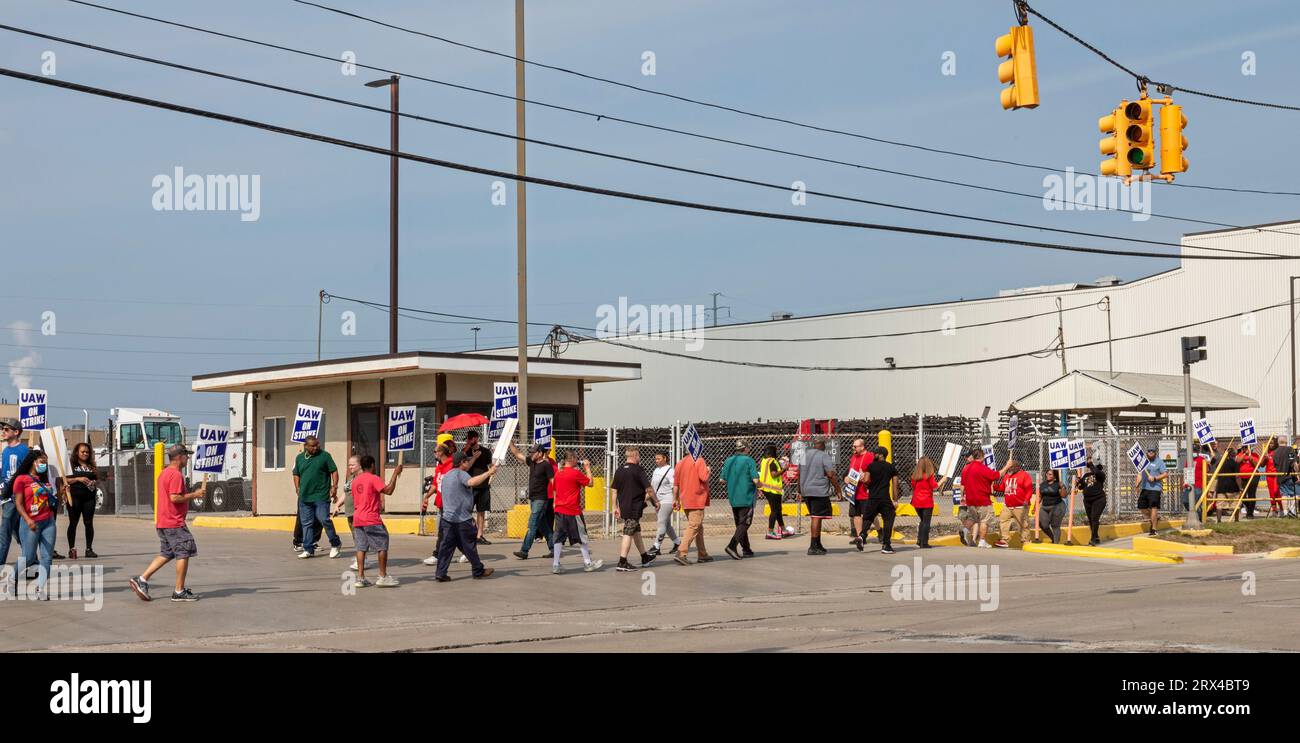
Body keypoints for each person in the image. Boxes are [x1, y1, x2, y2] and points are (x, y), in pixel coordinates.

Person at [129, 444, 206, 602]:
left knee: (167, 553)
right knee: (184, 551)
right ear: (179, 457)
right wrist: (194, 494)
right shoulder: (176, 475)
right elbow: (175, 497)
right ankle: (179, 591)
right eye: (186, 455)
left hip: (163, 521)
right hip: (173, 522)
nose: (188, 458)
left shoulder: (164, 473)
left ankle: (142, 579)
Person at [433, 450, 498, 581]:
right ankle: (478, 571)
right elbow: (472, 482)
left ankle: (441, 573)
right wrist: (489, 473)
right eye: (467, 461)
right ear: (462, 462)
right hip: (462, 519)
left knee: (447, 547)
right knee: (469, 546)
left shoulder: (447, 476)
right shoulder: (461, 474)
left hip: (447, 518)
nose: (469, 463)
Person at [348, 454, 403, 587]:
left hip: (358, 518)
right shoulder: (374, 479)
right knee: (382, 545)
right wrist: (395, 473)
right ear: (372, 465)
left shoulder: (355, 481)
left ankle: (360, 578)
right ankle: (382, 576)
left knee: (361, 547)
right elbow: (388, 491)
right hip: (371, 518)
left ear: (361, 465)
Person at [11, 450, 58, 598]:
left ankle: (40, 589)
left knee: (47, 557)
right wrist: (28, 519)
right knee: (28, 557)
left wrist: (61, 493)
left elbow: (54, 503)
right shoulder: (21, 479)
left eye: (46, 461)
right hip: (30, 523)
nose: (44, 464)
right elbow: (18, 504)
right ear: (33, 461)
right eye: (41, 461)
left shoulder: (45, 480)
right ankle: (13, 579)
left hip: (48, 521)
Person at [551, 451, 603, 574]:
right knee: (582, 536)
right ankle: (587, 563)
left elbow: (555, 490)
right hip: (573, 511)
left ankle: (555, 564)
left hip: (559, 510)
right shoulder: (575, 473)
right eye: (576, 458)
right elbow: (590, 483)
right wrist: (587, 468)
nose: (577, 460)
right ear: (572, 459)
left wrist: (555, 503)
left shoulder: (558, 473)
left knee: (558, 537)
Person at [293, 436, 342, 559]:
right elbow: (296, 474)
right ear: (306, 446)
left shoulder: (325, 456)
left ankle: (335, 543)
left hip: (321, 495)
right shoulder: (299, 458)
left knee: (324, 519)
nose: (316, 447)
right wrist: (297, 488)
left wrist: (334, 486)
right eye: (313, 446)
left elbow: (334, 471)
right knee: (306, 523)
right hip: (305, 496)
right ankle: (308, 549)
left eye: (317, 445)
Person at [612, 447, 657, 571]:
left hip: (624, 506)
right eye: (639, 455)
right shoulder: (638, 470)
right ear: (635, 455)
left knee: (636, 530)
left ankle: (644, 557)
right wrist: (656, 502)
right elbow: (649, 489)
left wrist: (615, 507)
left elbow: (614, 491)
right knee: (628, 532)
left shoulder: (619, 470)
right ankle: (622, 562)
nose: (640, 458)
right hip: (634, 507)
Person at [511, 441, 556, 560]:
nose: (531, 454)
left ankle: (524, 551)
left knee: (532, 525)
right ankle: (554, 549)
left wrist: (556, 499)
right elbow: (518, 454)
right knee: (544, 526)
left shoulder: (546, 465)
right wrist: (511, 443)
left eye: (533, 452)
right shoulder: (532, 462)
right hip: (533, 499)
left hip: (541, 500)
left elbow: (553, 482)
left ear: (540, 453)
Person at [959, 448, 1010, 548]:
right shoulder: (982, 468)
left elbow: (963, 484)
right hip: (982, 498)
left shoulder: (966, 468)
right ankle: (982, 541)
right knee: (984, 520)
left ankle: (965, 530)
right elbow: (996, 476)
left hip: (970, 499)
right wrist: (1007, 466)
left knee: (973, 518)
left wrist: (962, 496)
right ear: (982, 457)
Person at [1, 417, 31, 576]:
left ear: (16, 432)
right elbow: (3, 472)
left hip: (16, 498)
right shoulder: (5, 450)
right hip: (5, 497)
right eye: (3, 429)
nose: (3, 432)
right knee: (19, 534)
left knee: (4, 534)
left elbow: (28, 476)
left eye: (6, 429)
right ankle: (33, 564)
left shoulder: (24, 451)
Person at [798, 438, 838, 556]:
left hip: (806, 491)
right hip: (818, 491)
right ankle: (813, 546)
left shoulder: (804, 456)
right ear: (823, 446)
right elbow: (830, 474)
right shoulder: (824, 456)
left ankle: (818, 544)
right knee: (816, 517)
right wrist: (838, 489)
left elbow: (799, 474)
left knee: (816, 516)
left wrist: (799, 490)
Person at [672, 449, 712, 566]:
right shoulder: (699, 461)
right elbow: (704, 477)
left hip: (685, 498)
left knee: (698, 527)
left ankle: (702, 554)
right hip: (696, 498)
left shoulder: (680, 463)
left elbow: (676, 484)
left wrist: (676, 499)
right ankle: (681, 553)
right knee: (694, 526)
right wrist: (708, 470)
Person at [720, 441, 759, 560]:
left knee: (740, 525)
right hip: (746, 497)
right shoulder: (749, 460)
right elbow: (755, 480)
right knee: (745, 523)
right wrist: (763, 485)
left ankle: (746, 549)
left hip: (733, 497)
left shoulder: (728, 461)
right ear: (746, 449)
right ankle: (732, 546)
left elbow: (722, 480)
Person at [422, 441, 457, 567]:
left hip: (451, 503)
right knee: (447, 531)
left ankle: (438, 555)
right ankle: (468, 552)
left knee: (445, 530)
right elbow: (436, 485)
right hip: (442, 503)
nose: (434, 453)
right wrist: (427, 497)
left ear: (442, 452)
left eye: (435, 451)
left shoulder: (452, 465)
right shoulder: (439, 467)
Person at [858, 447, 899, 554]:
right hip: (885, 498)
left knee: (868, 518)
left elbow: (866, 480)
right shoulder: (891, 467)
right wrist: (895, 499)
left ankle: (862, 536)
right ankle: (886, 545)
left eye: (875, 453)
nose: (873, 454)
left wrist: (867, 484)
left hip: (872, 498)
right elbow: (895, 484)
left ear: (881, 454)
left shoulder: (870, 466)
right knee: (889, 518)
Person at [64, 441, 98, 559]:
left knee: (88, 523)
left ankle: (89, 549)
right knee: (73, 522)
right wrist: (78, 478)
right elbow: (65, 480)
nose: (85, 454)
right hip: (74, 497)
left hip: (89, 498)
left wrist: (93, 482)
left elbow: (96, 479)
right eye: (82, 451)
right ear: (77, 452)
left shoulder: (91, 466)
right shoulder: (71, 465)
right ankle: (71, 549)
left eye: (87, 452)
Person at [993, 459, 1033, 548]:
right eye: (1008, 467)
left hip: (1020, 505)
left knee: (1022, 524)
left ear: (1017, 467)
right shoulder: (1007, 476)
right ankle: (1004, 540)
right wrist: (994, 485)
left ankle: (1026, 540)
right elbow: (1002, 488)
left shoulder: (1024, 475)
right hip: (1007, 505)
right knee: (1003, 521)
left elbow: (1029, 489)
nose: (1009, 469)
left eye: (1011, 467)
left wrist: (1026, 500)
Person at [462, 430, 492, 544]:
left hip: (483, 486)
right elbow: (464, 468)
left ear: (476, 438)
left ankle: (480, 535)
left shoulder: (485, 451)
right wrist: (473, 457)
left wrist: (490, 480)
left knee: (481, 511)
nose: (468, 441)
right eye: (467, 439)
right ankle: (469, 533)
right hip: (470, 485)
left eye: (470, 438)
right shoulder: (466, 452)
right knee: (466, 511)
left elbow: (490, 466)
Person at [909, 457, 946, 549]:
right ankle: (924, 542)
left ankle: (919, 540)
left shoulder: (915, 475)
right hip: (926, 501)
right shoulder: (929, 476)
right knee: (926, 522)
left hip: (916, 501)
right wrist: (943, 480)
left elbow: (913, 486)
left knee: (922, 520)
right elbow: (934, 486)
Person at [845, 438, 875, 549]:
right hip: (854, 491)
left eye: (855, 446)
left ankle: (879, 530)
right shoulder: (853, 457)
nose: (853, 448)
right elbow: (850, 471)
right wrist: (846, 478)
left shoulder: (870, 457)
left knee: (869, 515)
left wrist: (867, 475)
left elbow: (874, 471)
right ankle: (860, 537)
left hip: (865, 491)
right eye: (853, 446)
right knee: (856, 515)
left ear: (862, 447)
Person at [647, 452, 679, 557]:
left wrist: (675, 499)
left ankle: (656, 546)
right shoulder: (656, 470)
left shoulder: (670, 471)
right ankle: (678, 544)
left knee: (661, 523)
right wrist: (647, 497)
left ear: (665, 458)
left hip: (667, 500)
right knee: (666, 524)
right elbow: (652, 485)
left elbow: (674, 486)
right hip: (657, 500)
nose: (656, 461)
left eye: (658, 459)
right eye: (655, 459)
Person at [758, 445, 790, 540]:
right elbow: (774, 474)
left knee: (777, 509)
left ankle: (783, 530)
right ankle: (770, 532)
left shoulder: (764, 460)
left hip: (766, 488)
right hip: (773, 489)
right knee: (775, 510)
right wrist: (784, 469)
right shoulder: (772, 461)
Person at [1135, 447, 1167, 535]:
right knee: (1142, 507)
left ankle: (1153, 529)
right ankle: (1154, 519)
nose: (1151, 452)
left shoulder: (1159, 462)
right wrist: (1137, 485)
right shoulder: (1143, 462)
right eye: (1149, 451)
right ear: (1147, 452)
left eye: (1152, 451)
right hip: (1145, 488)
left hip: (1155, 489)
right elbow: (1139, 474)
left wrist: (1155, 478)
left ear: (1155, 452)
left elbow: (1165, 474)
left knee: (1153, 507)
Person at [1078, 457, 1107, 546]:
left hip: (1099, 499)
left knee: (1094, 517)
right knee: (1091, 519)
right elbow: (1081, 487)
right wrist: (1078, 482)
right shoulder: (1086, 475)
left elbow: (1096, 472)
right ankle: (1096, 536)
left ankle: (1093, 538)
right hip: (1087, 500)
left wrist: (1090, 464)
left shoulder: (1100, 474)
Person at [1274, 435, 1299, 518]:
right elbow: (1293, 463)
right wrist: (1297, 472)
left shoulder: (1275, 452)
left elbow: (1275, 464)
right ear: (1286, 441)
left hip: (1280, 476)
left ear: (1278, 442)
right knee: (1293, 493)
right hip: (1289, 476)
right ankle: (1292, 511)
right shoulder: (1289, 449)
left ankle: (1285, 513)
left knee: (1284, 494)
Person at [1037, 469, 1065, 544]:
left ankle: (1056, 543)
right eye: (1047, 474)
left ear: (1055, 476)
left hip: (1057, 506)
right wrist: (1035, 506)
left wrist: (1062, 487)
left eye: (1050, 474)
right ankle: (1053, 538)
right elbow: (1040, 496)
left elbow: (1063, 496)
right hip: (1045, 507)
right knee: (1043, 525)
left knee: (1055, 525)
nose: (1048, 475)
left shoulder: (1058, 484)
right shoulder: (1043, 484)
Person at [1211, 447, 1239, 518]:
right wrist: (1240, 487)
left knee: (1219, 505)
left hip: (1221, 487)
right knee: (1235, 504)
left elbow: (1214, 467)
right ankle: (1236, 520)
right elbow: (1237, 476)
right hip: (1233, 487)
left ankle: (1219, 520)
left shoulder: (1219, 464)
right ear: (1232, 454)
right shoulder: (1235, 463)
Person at [1236, 446, 1261, 519]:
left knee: (1251, 494)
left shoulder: (1255, 455)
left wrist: (1251, 459)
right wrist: (1244, 455)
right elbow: (1237, 461)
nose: (1245, 449)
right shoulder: (1240, 454)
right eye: (1243, 447)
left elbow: (1258, 465)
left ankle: (1250, 513)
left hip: (1253, 476)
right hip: (1242, 477)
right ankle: (1248, 506)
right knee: (1242, 494)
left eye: (1246, 447)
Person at [1265, 440, 1282, 516]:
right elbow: (1261, 465)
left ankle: (1282, 508)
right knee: (1271, 493)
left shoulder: (1278, 453)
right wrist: (1265, 458)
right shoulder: (1267, 454)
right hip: (1269, 476)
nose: (1270, 445)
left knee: (1276, 492)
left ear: (1275, 444)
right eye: (1269, 443)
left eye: (1272, 443)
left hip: (1276, 475)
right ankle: (1274, 510)